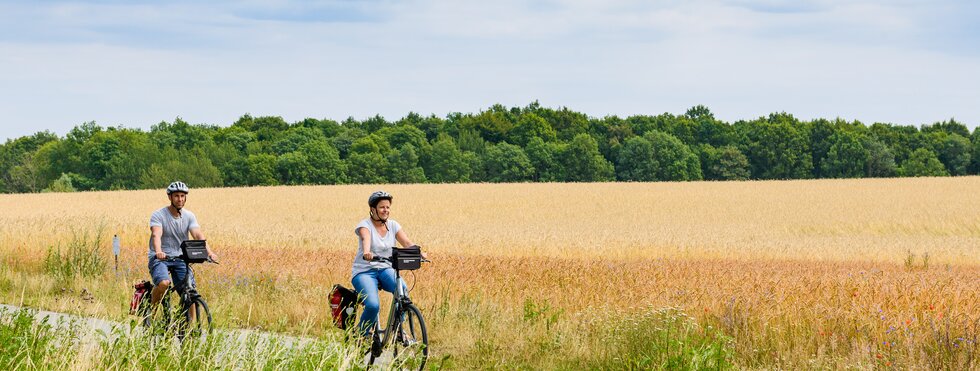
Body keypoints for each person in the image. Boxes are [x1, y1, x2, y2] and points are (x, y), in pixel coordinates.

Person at [351, 190, 424, 338]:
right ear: (373, 210)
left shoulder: (393, 225)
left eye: (388, 207)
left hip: (385, 269)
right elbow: (366, 239)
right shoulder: (364, 225)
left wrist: (419, 252)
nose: (386, 210)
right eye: (382, 207)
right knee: (372, 305)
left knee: (402, 291)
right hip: (364, 271)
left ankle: (398, 329)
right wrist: (367, 252)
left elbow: (407, 243)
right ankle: (361, 334)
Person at [147, 181, 218, 319]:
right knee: (164, 283)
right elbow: (156, 234)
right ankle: (151, 314)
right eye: (176, 196)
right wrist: (158, 251)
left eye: (182, 196)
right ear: (170, 197)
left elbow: (198, 235)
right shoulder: (158, 215)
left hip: (180, 258)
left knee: (189, 291)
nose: (180, 199)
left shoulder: (189, 216)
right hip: (161, 258)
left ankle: (189, 329)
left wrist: (209, 252)